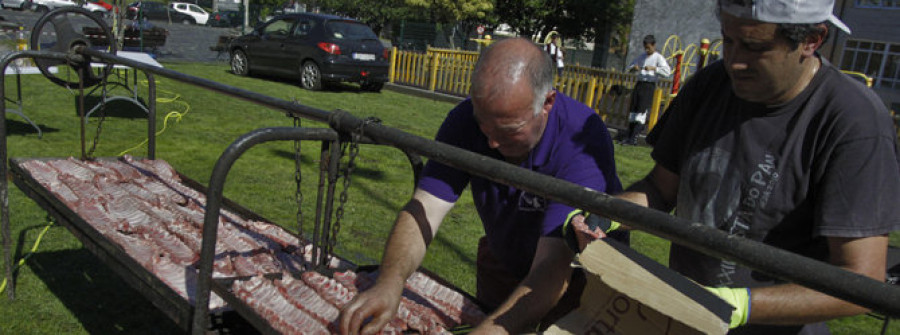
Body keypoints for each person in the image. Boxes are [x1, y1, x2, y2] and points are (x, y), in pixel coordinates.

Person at [569, 0, 900, 334]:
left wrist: (737, 305)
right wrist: (606, 213)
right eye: (728, 41)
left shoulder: (853, 121)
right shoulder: (709, 86)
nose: (734, 62)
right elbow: (659, 190)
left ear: (812, 40)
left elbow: (861, 280)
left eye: (755, 47)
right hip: (683, 320)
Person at [339, 37, 623, 335]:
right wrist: (389, 283)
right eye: (483, 125)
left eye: (508, 129)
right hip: (505, 259)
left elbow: (553, 266)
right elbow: (425, 207)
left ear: (547, 102)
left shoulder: (582, 140)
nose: (492, 142)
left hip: (578, 279)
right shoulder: (464, 121)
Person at [620, 34, 671, 146]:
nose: (647, 50)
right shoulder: (642, 57)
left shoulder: (658, 58)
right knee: (633, 109)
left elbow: (667, 72)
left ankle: (634, 138)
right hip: (639, 84)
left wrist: (654, 68)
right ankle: (629, 136)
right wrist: (634, 68)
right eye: (645, 47)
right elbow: (629, 68)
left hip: (649, 85)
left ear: (653, 45)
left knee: (641, 111)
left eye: (649, 47)